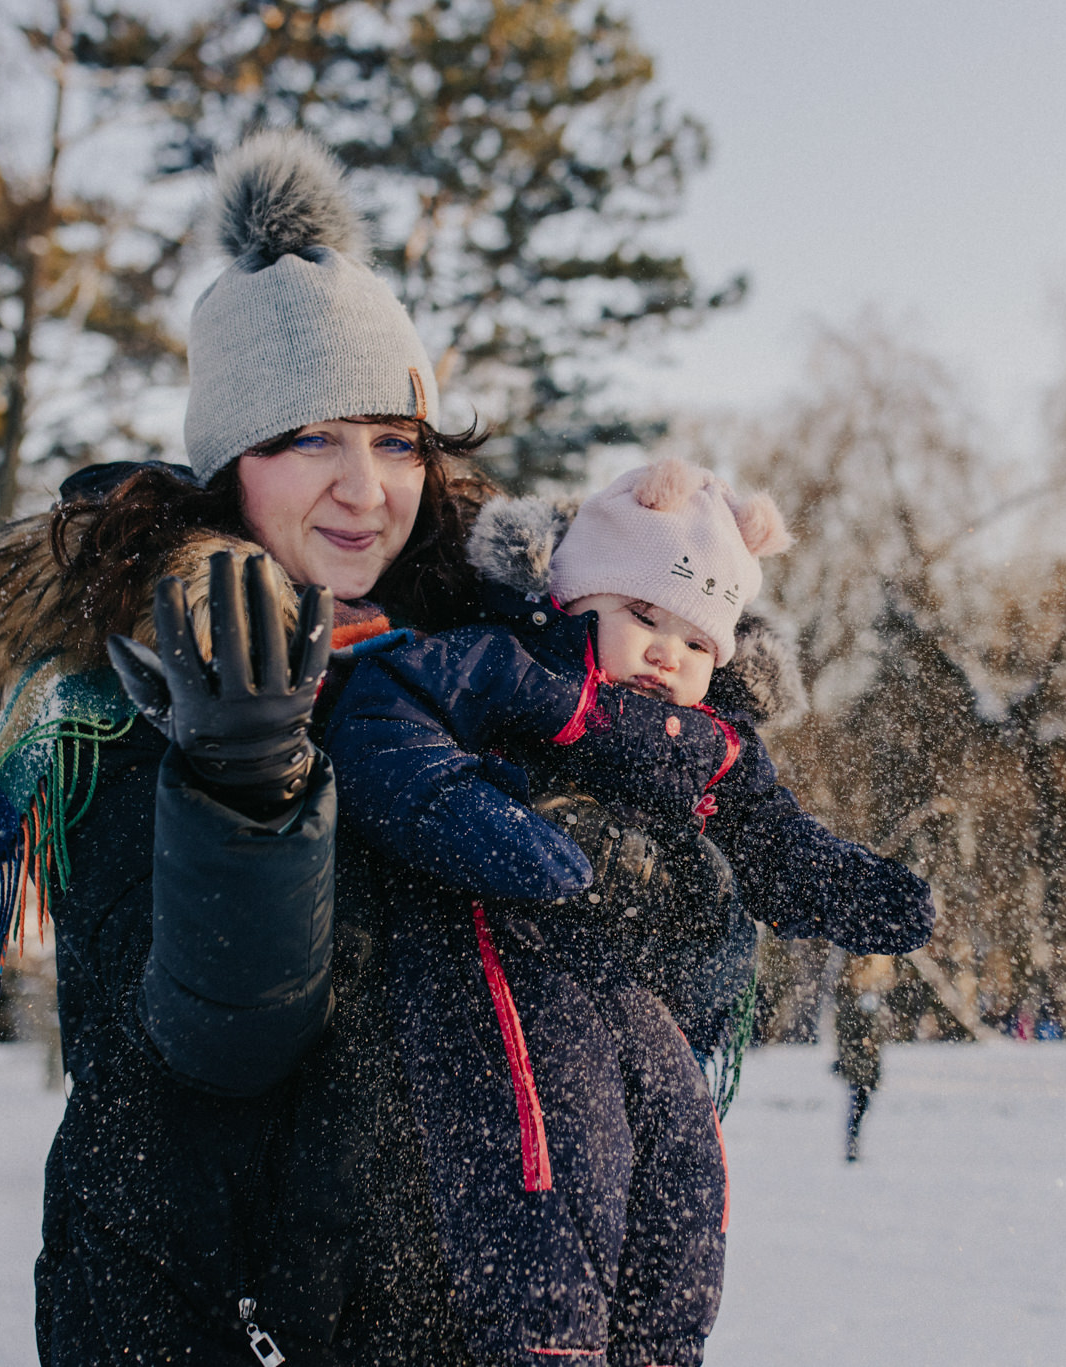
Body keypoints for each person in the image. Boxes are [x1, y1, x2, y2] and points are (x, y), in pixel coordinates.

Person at [0, 129, 754, 1365]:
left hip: (467, 1301)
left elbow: (675, 1011)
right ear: (228, 465)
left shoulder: (511, 661)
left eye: (394, 439)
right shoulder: (123, 688)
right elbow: (212, 1045)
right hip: (201, 1295)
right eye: (308, 439)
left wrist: (642, 855)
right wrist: (240, 778)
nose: (363, 487)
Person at [323, 459, 936, 1364]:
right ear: (574, 602)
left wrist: (854, 889)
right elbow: (383, 714)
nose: (665, 654)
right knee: (550, 1149)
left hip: (626, 985)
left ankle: (658, 1347)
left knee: (682, 1161)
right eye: (641, 617)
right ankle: (549, 1346)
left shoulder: (717, 749)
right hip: (496, 957)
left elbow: (776, 844)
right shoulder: (513, 668)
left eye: (696, 642)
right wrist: (475, 817)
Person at [834, 953, 900, 1163]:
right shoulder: (856, 1012)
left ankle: (853, 1146)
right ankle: (852, 1147)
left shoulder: (858, 1011)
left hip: (863, 1069)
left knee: (858, 1108)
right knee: (858, 1109)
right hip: (861, 1070)